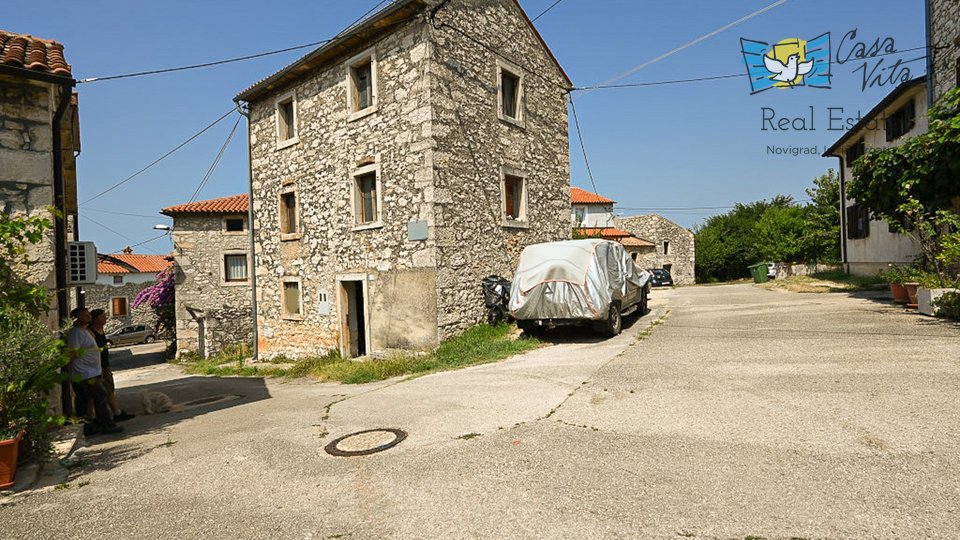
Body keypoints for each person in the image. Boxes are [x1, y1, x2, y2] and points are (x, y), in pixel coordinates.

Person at [67, 307, 123, 435]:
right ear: (77, 318)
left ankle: (87, 427)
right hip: (84, 373)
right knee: (101, 395)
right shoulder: (75, 333)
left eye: (88, 314)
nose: (88, 316)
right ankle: (105, 424)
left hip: (91, 372)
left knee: (86, 400)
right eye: (84, 315)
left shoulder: (85, 331)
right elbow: (72, 352)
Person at [88, 309, 135, 422]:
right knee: (102, 391)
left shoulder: (100, 329)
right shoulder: (90, 332)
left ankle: (115, 412)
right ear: (96, 319)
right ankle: (108, 415)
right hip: (97, 366)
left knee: (109, 389)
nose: (105, 318)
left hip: (104, 364)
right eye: (102, 316)